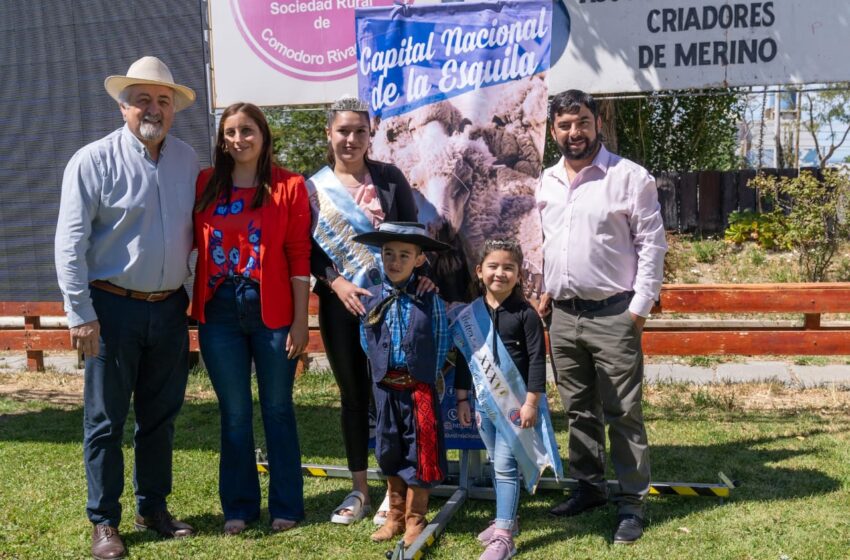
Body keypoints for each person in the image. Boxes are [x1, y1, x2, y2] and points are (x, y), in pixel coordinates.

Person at [55, 56, 199, 560]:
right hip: (111, 310)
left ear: (174, 109)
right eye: (142, 100)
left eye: (163, 100)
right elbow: (69, 243)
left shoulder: (188, 161)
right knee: (105, 421)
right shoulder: (92, 160)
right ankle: (104, 520)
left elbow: (195, 234)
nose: (153, 109)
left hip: (170, 308)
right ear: (123, 107)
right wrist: (80, 313)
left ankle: (152, 508)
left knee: (160, 417)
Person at [536, 89, 668, 544]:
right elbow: (543, 243)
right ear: (553, 131)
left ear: (597, 123)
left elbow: (652, 245)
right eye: (565, 125)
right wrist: (543, 290)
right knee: (578, 410)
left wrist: (638, 310)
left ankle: (631, 503)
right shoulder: (545, 182)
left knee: (623, 412)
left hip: (615, 314)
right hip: (562, 316)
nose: (574, 132)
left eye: (582, 123)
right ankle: (588, 488)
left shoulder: (629, 177)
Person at [307, 96, 430, 526]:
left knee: (393, 394)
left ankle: (394, 489)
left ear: (370, 134)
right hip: (341, 304)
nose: (351, 139)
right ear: (329, 133)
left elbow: (412, 233)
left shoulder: (389, 179)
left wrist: (419, 277)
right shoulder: (312, 188)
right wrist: (335, 281)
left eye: (360, 131)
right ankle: (359, 487)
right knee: (354, 396)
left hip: (392, 305)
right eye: (343, 130)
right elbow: (307, 248)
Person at [192, 102, 311, 535]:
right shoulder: (206, 183)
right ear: (222, 140)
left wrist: (301, 321)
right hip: (219, 311)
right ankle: (239, 507)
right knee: (235, 413)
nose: (238, 139)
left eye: (247, 131)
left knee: (278, 408)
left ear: (263, 135)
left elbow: (299, 257)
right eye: (230, 132)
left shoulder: (290, 186)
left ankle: (287, 505)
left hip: (272, 310)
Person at [454, 239, 563, 560]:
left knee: (504, 465)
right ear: (479, 271)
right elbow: (464, 358)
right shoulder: (471, 314)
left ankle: (504, 536)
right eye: (493, 266)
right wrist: (462, 399)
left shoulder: (526, 314)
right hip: (483, 403)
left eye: (508, 267)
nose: (499, 273)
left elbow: (537, 361)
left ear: (518, 274)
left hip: (515, 405)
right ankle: (508, 518)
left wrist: (531, 403)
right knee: (495, 460)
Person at [352, 222, 451, 547]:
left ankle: (414, 519)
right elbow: (366, 340)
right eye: (389, 253)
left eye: (404, 255)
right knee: (388, 446)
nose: (395, 261)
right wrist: (382, 368)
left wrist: (423, 373)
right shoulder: (372, 299)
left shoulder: (429, 299)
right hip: (385, 388)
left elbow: (440, 341)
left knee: (419, 451)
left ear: (419, 259)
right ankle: (393, 516)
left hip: (418, 388)